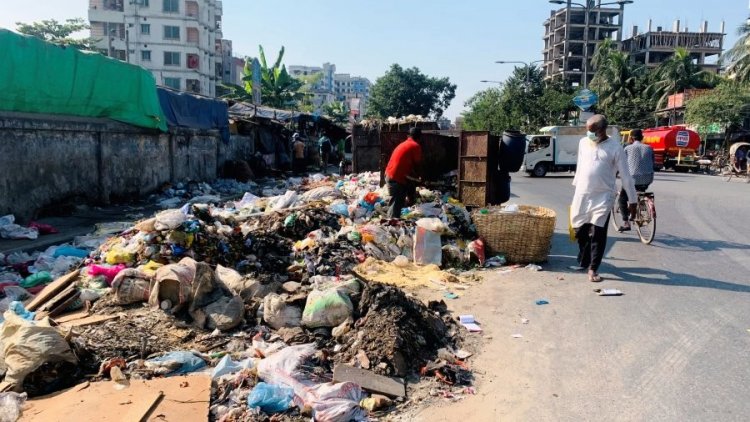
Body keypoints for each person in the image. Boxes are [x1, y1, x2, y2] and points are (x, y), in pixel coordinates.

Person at [571, 115, 637, 283]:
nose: (589, 133)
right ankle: (585, 259)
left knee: (598, 234)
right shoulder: (583, 143)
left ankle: (593, 268)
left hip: (603, 196)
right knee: (579, 230)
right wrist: (577, 187)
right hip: (583, 194)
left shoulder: (615, 148)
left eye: (592, 131)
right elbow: (580, 166)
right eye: (587, 130)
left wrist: (633, 201)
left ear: (602, 130)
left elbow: (626, 176)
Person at [618, 129, 654, 232]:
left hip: (632, 179)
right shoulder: (649, 148)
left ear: (631, 138)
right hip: (647, 179)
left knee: (622, 199)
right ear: (642, 138)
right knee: (639, 191)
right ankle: (640, 206)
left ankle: (626, 222)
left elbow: (621, 164)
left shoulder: (627, 148)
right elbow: (653, 163)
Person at [384, 127, 423, 219]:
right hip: (396, 178)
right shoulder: (415, 146)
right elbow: (417, 164)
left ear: (408, 135)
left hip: (390, 174)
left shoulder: (404, 144)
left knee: (407, 188)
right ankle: (391, 224)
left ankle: (410, 204)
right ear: (419, 137)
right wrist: (420, 176)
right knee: (397, 202)